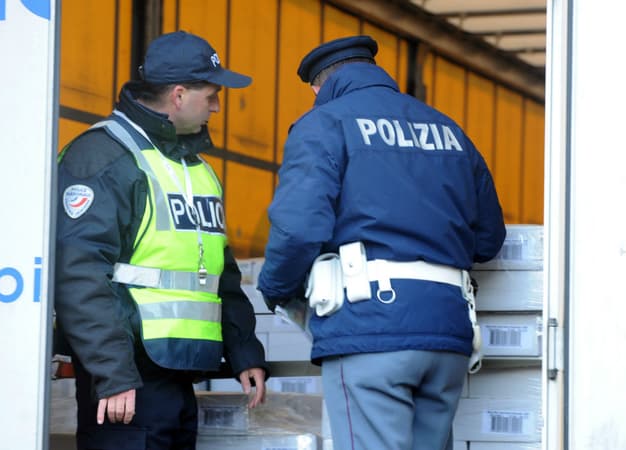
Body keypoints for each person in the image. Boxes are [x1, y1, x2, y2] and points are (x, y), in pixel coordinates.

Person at [256, 35, 506, 450]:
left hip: (368, 328)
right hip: (448, 335)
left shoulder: (325, 124)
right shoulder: (449, 130)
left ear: (318, 88)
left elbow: (299, 227)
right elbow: (488, 239)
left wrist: (277, 288)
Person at [55, 30, 268, 450]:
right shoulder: (104, 157)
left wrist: (244, 351)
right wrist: (112, 374)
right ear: (178, 94)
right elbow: (79, 274)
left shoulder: (196, 169)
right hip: (127, 381)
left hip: (177, 373)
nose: (217, 106)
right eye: (211, 95)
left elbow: (219, 276)